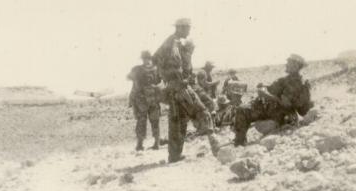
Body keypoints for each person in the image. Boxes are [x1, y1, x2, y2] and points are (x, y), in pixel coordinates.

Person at [152, 18, 220, 163]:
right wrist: (175, 78)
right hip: (181, 86)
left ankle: (174, 155)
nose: (189, 31)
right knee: (202, 110)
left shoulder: (172, 42)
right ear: (181, 28)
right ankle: (215, 144)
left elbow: (156, 59)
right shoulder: (173, 44)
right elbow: (170, 64)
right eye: (188, 28)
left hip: (176, 86)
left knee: (178, 120)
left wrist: (167, 78)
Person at [232, 54, 313, 146]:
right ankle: (240, 140)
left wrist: (266, 95)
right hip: (275, 110)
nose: (286, 65)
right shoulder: (288, 79)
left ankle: (239, 143)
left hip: (281, 113)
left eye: (288, 63)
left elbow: (286, 104)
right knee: (245, 108)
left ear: (296, 65)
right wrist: (264, 87)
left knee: (242, 110)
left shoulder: (295, 82)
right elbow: (272, 88)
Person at [127, 51, 162, 151]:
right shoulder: (156, 69)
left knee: (141, 121)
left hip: (141, 100)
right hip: (153, 99)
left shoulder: (137, 69)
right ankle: (156, 143)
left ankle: (140, 144)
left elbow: (128, 77)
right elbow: (161, 82)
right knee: (154, 121)